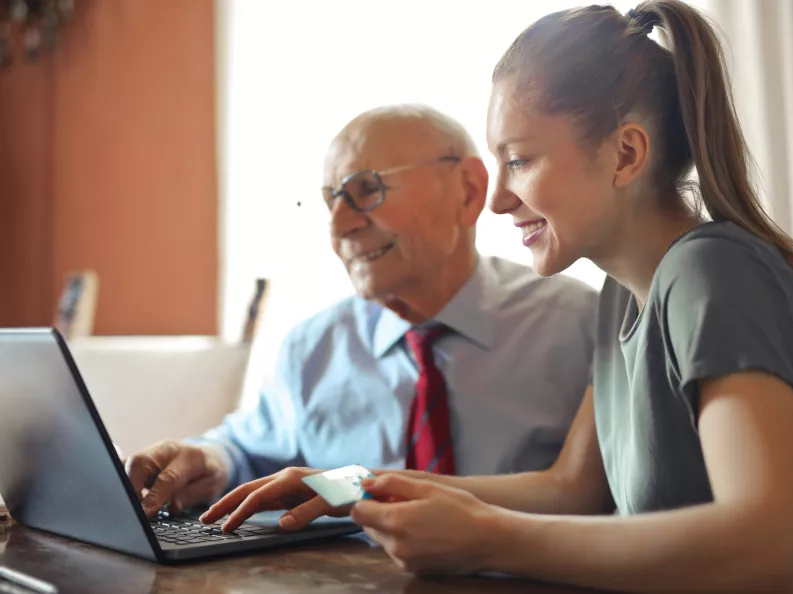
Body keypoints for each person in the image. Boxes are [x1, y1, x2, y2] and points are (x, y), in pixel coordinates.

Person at [202, 1, 793, 592]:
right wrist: (351, 487)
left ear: (626, 155)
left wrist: (487, 541)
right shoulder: (621, 297)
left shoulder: (710, 273)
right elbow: (573, 489)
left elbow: (782, 551)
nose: (500, 197)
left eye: (520, 159)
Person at [124, 105, 597, 519]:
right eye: (331, 200)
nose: (339, 227)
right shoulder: (313, 346)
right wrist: (208, 460)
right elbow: (248, 450)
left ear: (469, 190)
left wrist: (345, 487)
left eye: (365, 190)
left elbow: (592, 497)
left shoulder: (579, 325)